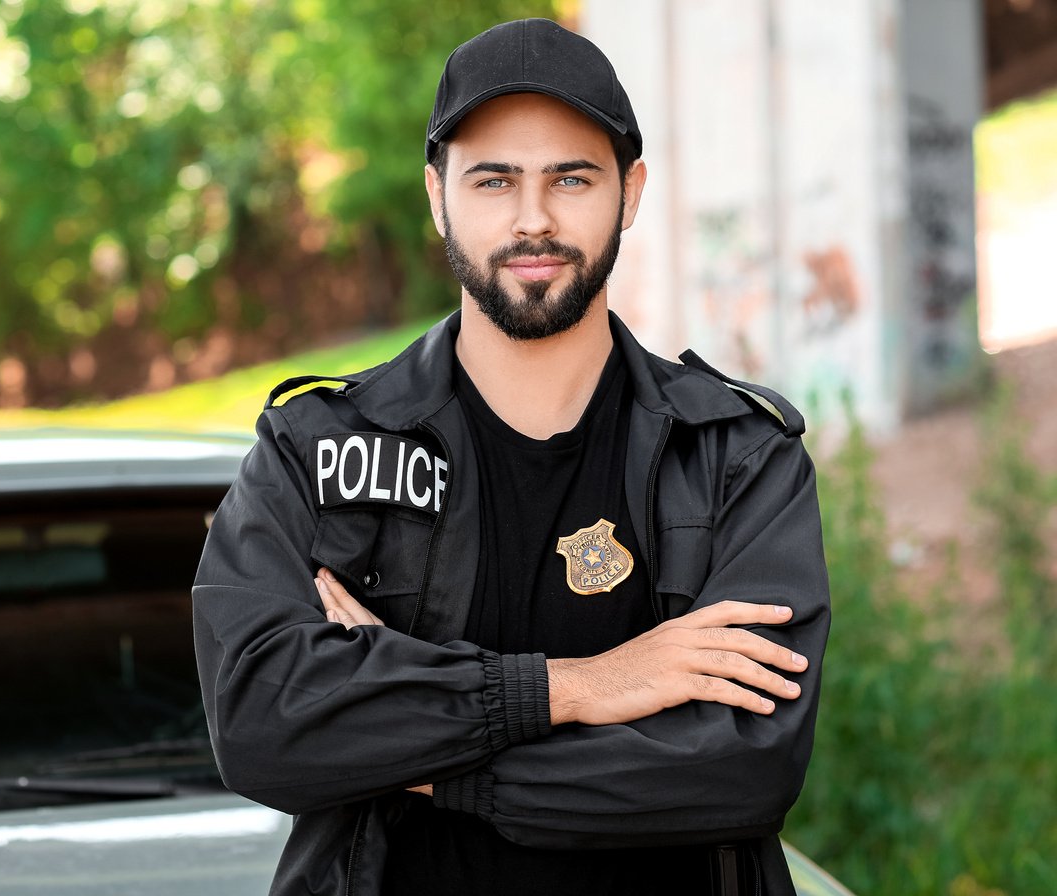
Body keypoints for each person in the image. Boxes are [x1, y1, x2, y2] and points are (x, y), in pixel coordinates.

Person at [193, 17, 829, 896]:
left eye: (572, 178)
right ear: (437, 194)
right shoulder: (318, 452)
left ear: (630, 193)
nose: (534, 220)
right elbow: (264, 724)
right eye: (494, 180)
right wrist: (580, 687)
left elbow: (742, 770)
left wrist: (427, 759)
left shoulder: (734, 460)